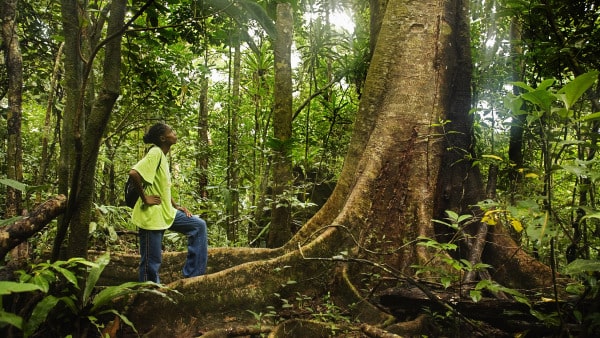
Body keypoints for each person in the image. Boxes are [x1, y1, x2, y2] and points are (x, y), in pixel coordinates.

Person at [128, 122, 208, 283]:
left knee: (198, 225)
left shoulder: (162, 157)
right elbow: (134, 173)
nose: (175, 133)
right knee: (151, 262)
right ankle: (148, 295)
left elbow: (162, 186)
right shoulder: (156, 153)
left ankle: (193, 279)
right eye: (171, 131)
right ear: (163, 138)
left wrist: (175, 205)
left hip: (166, 212)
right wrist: (145, 199)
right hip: (151, 216)